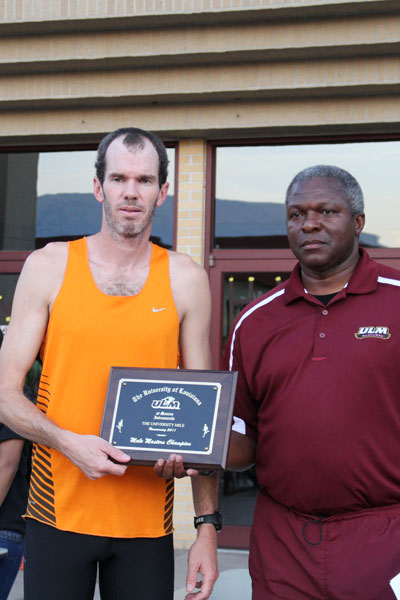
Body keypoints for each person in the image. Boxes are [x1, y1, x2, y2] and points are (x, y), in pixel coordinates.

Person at [0, 127, 219, 600]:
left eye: (144, 180)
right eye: (119, 178)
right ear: (99, 186)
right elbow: (3, 396)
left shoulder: (185, 278)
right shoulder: (49, 265)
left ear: (163, 191)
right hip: (57, 509)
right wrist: (66, 442)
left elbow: (206, 417)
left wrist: (206, 528)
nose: (131, 192)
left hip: (145, 519)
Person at [224, 164, 400, 600]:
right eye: (297, 214)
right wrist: (188, 444)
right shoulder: (255, 321)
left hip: (385, 535)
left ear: (358, 222)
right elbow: (241, 437)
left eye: (326, 211)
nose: (310, 224)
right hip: (283, 541)